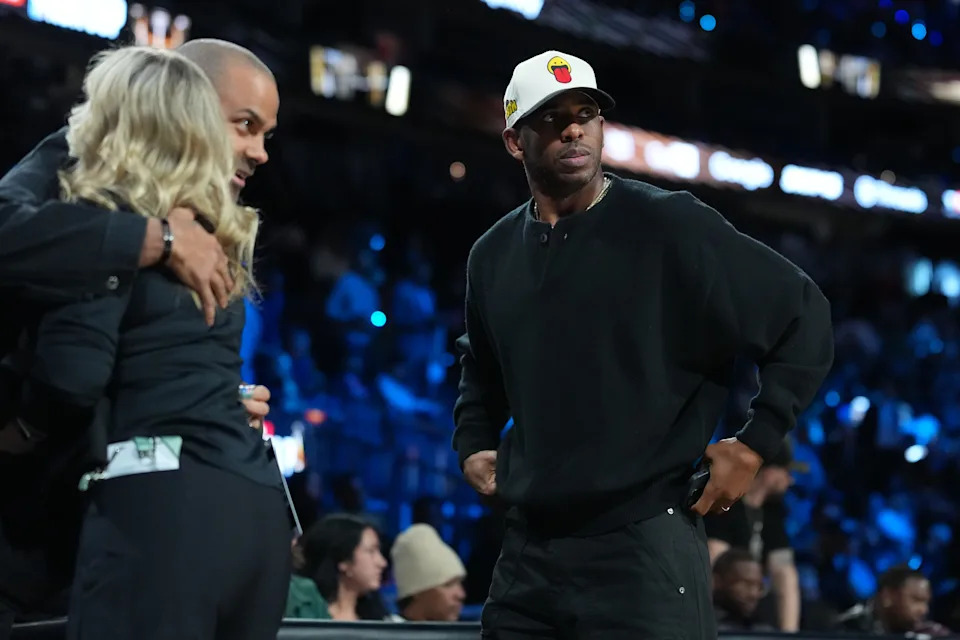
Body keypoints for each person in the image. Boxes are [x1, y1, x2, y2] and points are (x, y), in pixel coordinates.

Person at [452, 50, 834, 638]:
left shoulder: (671, 225)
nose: (574, 129)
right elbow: (481, 364)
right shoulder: (492, 254)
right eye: (552, 118)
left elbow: (803, 316)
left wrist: (755, 442)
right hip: (530, 552)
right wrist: (474, 440)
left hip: (644, 545)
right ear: (514, 141)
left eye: (586, 114)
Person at [8, 45, 287, 640]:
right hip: (245, 511)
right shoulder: (98, 187)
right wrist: (156, 238)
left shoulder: (193, 228)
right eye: (245, 124)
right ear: (187, 105)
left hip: (140, 511)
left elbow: (73, 379)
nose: (262, 152)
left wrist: (20, 432)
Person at [704, 437, 801, 631]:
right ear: (769, 472)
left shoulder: (771, 514)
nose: (790, 480)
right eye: (786, 472)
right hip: (718, 608)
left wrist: (789, 634)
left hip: (750, 609)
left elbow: (784, 571)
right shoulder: (726, 505)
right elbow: (713, 562)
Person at [295, 514, 389, 621]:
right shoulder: (304, 617)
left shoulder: (384, 621)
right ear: (343, 561)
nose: (382, 563)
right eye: (371, 551)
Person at [836, 565, 952, 636]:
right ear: (887, 597)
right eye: (916, 600)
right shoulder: (848, 628)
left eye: (926, 602)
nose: (924, 610)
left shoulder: (930, 633)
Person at [391, 524, 467, 622]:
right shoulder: (385, 631)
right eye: (448, 585)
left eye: (459, 583)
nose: (461, 595)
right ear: (416, 591)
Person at [712, 548, 777, 632]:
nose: (754, 594)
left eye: (759, 586)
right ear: (718, 581)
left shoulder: (764, 629)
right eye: (746, 584)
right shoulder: (702, 626)